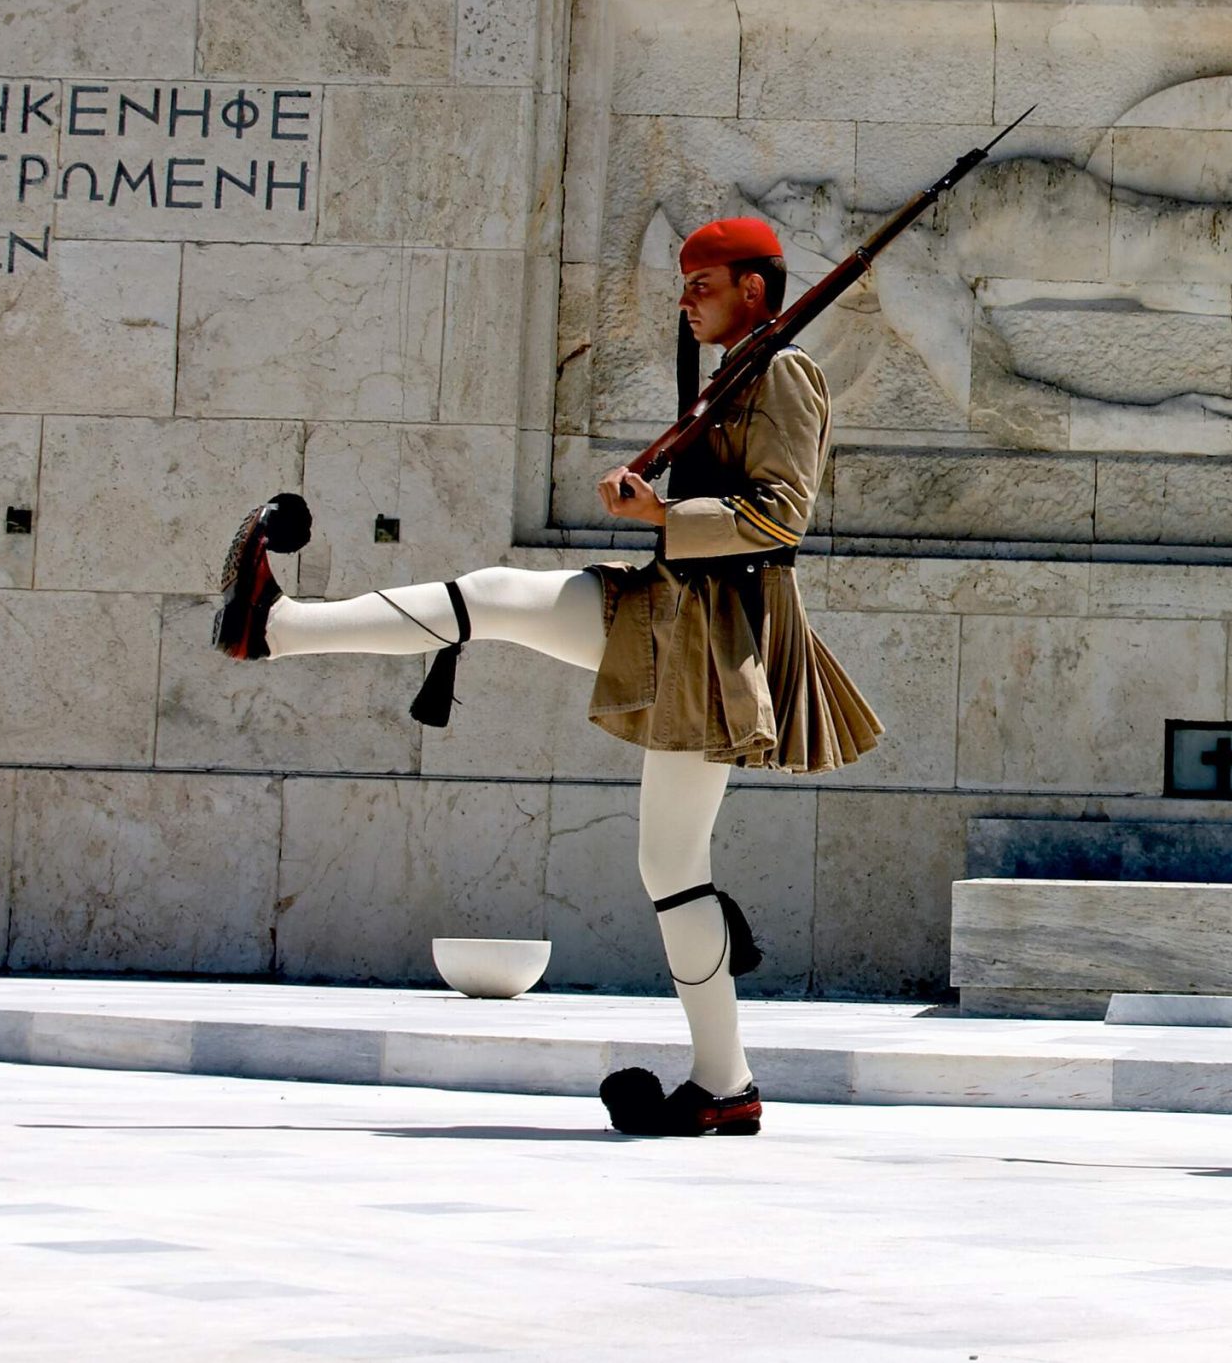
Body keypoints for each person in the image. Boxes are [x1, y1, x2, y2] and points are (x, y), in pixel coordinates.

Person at [211, 216, 879, 1139]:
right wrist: (663, 513)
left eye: (703, 282)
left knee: (671, 865)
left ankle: (725, 1081)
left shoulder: (787, 373)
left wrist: (662, 511)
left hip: (713, 637)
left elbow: (779, 521)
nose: (685, 299)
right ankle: (275, 628)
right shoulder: (735, 370)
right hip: (668, 607)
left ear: (755, 290)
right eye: (685, 283)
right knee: (499, 605)